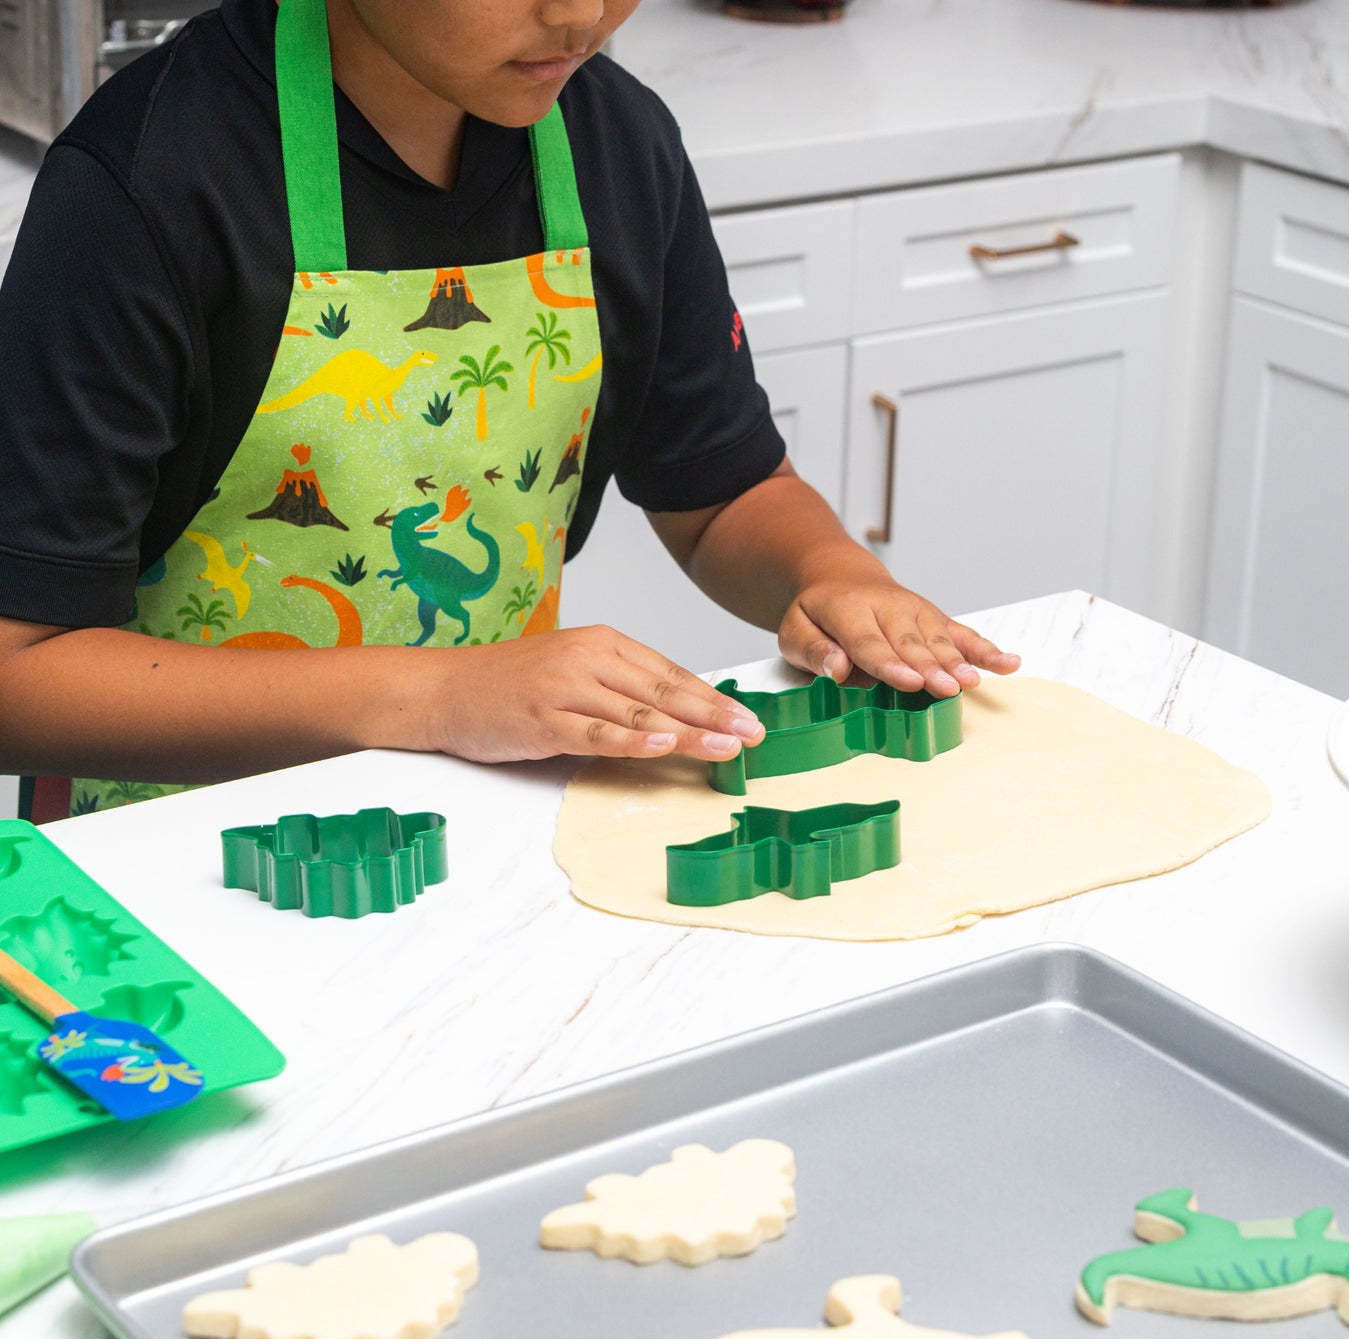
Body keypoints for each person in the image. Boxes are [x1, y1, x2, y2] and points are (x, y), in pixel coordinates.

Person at [0, 0, 1018, 819]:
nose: (581, 15)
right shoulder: (148, 184)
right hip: (164, 859)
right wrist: (440, 697)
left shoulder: (617, 143)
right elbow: (20, 676)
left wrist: (829, 573)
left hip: (477, 821)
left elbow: (723, 490)